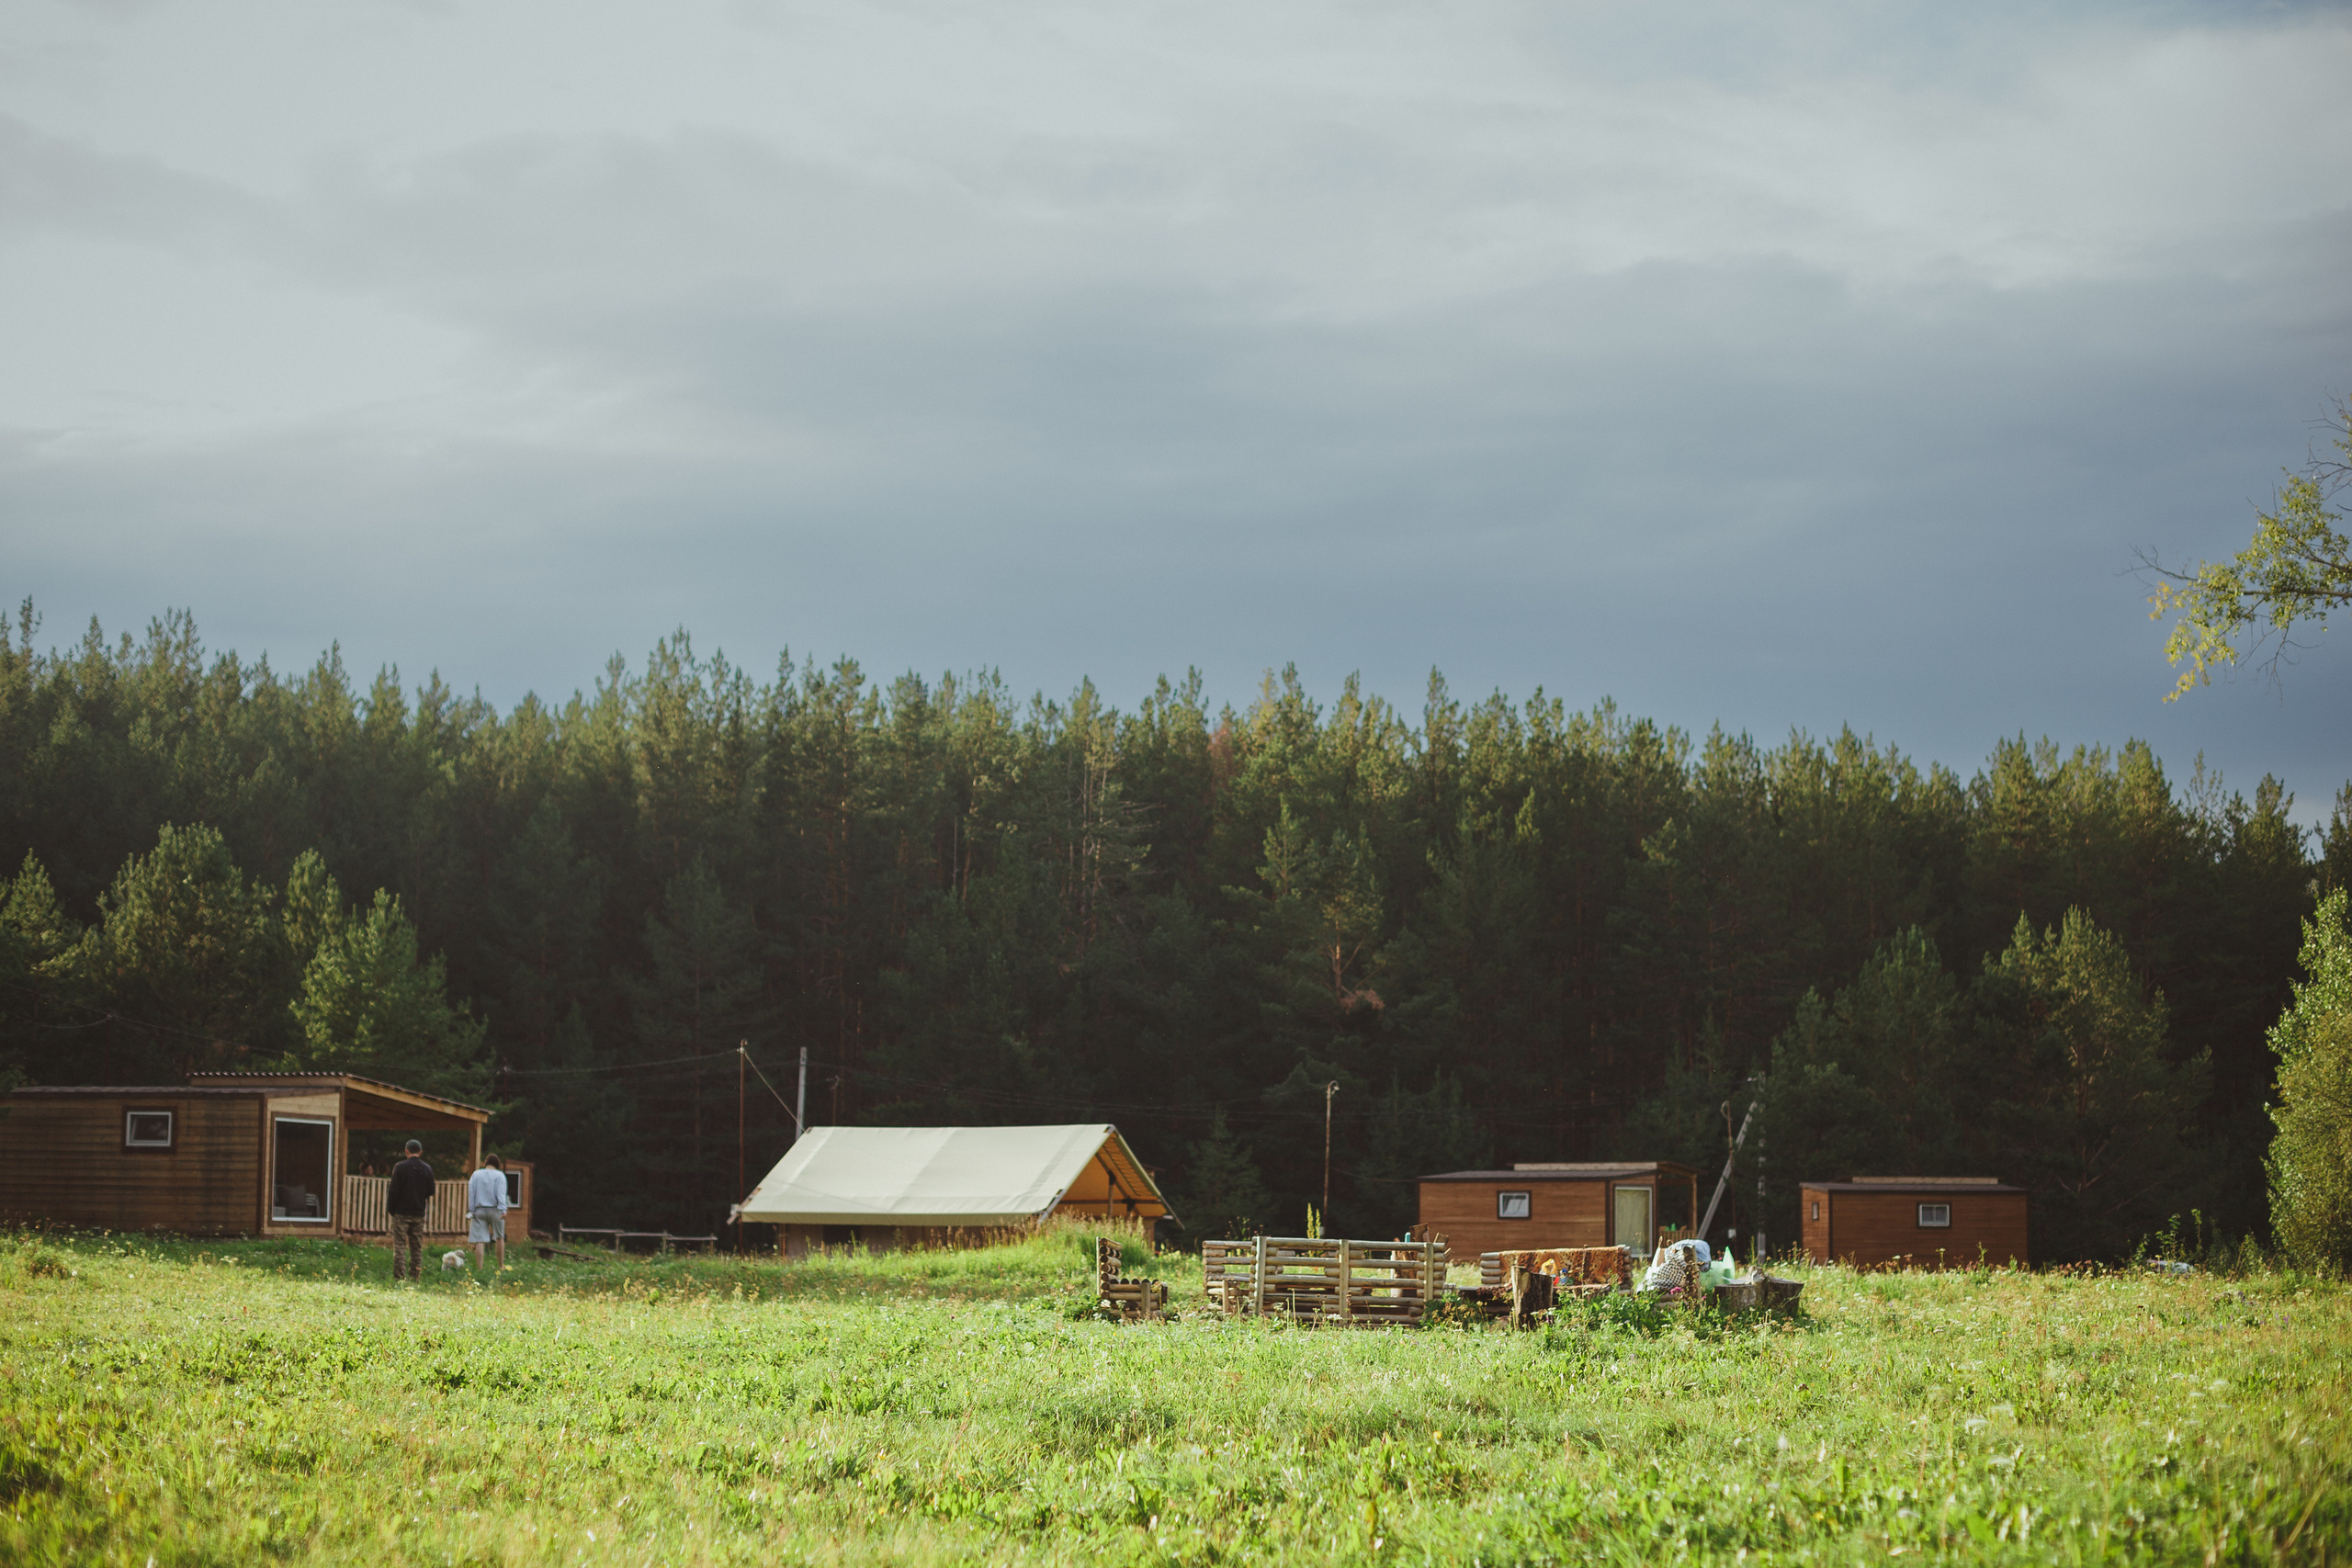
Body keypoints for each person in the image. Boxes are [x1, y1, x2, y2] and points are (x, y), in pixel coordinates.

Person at [386, 1139, 435, 1282]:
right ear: (420, 1152)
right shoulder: (427, 1168)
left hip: (401, 1212)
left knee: (400, 1246)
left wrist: (391, 1209)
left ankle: (400, 1277)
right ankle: (415, 1277)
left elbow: (393, 1191)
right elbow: (431, 1190)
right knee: (416, 1247)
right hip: (418, 1213)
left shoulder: (400, 1167)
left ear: (406, 1151)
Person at [467, 1153, 512, 1270]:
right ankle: (501, 1266)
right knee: (499, 1237)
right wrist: (503, 1209)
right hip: (496, 1210)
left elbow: (471, 1192)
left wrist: (472, 1209)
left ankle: (480, 1268)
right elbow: (501, 1193)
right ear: (497, 1164)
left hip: (479, 1210)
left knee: (479, 1240)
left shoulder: (476, 1174)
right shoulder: (500, 1176)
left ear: (486, 1163)